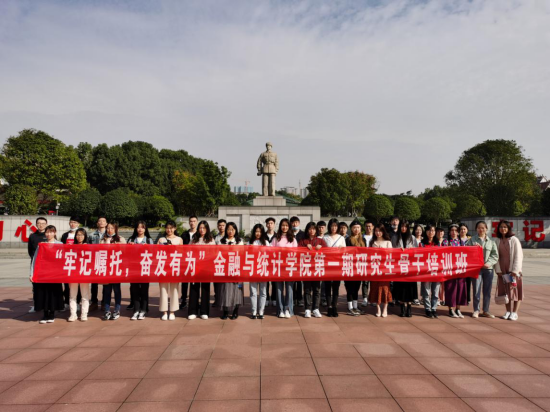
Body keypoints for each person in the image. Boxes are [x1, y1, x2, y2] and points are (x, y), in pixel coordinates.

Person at [32, 225, 64, 324]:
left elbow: (63, 259)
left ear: (55, 233)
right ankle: (45, 313)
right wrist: (32, 273)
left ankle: (52, 313)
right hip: (43, 273)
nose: (48, 234)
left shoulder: (60, 244)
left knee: (53, 293)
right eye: (47, 232)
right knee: (44, 293)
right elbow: (35, 259)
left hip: (55, 274)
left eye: (51, 232)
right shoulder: (41, 244)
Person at [467, 221, 499, 319]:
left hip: (488, 269)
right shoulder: (472, 240)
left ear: (486, 229)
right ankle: (476, 310)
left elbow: (495, 255)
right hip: (476, 269)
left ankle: (486, 310)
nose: (481, 230)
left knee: (487, 290)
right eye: (479, 228)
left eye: (483, 228)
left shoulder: (491, 241)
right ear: (476, 229)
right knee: (476, 289)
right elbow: (467, 252)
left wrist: (489, 263)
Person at [495, 220, 524, 322]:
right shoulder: (497, 240)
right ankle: (508, 311)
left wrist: (515, 270)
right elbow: (496, 256)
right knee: (505, 291)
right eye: (501, 227)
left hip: (513, 270)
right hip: (503, 270)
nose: (503, 229)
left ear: (508, 228)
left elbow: (518, 256)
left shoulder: (514, 240)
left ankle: (514, 312)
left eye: (505, 227)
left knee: (515, 291)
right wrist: (498, 270)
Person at [127, 221, 154, 321]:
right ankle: (136, 310)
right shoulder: (131, 239)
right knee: (134, 290)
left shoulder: (149, 240)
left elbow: (154, 253)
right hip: (134, 268)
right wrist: (129, 246)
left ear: (145, 229)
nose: (140, 229)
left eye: (142, 227)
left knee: (144, 290)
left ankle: (143, 310)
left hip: (145, 268)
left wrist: (148, 247)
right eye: (138, 227)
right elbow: (126, 253)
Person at [299, 222, 326, 318]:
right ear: (307, 230)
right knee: (307, 289)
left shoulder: (320, 241)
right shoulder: (303, 241)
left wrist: (322, 248)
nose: (312, 231)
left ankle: (315, 309)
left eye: (314, 229)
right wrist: (304, 248)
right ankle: (307, 309)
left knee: (316, 290)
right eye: (310, 229)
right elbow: (297, 251)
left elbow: (327, 252)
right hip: (306, 268)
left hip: (317, 268)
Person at [272, 219, 298, 319]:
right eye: (283, 225)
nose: (285, 227)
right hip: (278, 267)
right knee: (279, 289)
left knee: (289, 289)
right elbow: (270, 251)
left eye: (286, 225)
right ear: (280, 226)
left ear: (289, 227)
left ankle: (288, 309)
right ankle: (280, 310)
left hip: (289, 267)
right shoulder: (276, 239)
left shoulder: (293, 239)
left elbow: (296, 253)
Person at [158, 221, 184, 321]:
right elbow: (156, 252)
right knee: (163, 289)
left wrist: (173, 248)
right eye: (167, 228)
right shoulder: (161, 239)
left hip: (174, 266)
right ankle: (164, 311)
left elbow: (182, 252)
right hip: (163, 266)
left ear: (175, 228)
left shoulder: (179, 239)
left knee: (174, 289)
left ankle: (172, 311)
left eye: (171, 228)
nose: (169, 230)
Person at [219, 223, 245, 320]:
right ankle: (225, 311)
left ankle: (235, 311)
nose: (230, 231)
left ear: (236, 230)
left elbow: (242, 253)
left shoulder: (239, 241)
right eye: (229, 229)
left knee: (237, 289)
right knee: (226, 290)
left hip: (237, 268)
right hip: (226, 268)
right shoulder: (222, 241)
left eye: (233, 229)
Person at [189, 221, 215, 320]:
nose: (202, 230)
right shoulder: (194, 239)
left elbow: (214, 254)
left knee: (205, 289)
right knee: (193, 288)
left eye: (204, 228)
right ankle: (193, 311)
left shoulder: (211, 240)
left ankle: (204, 311)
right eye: (200, 227)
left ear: (207, 229)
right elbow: (188, 251)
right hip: (195, 267)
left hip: (206, 268)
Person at [101, 222, 126, 321]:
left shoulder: (120, 239)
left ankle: (117, 310)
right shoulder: (103, 239)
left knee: (116, 290)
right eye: (108, 228)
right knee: (107, 291)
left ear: (116, 229)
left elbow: (125, 250)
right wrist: (106, 243)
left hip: (116, 268)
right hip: (106, 268)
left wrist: (116, 244)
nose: (109, 230)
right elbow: (100, 251)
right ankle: (107, 310)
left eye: (112, 228)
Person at [393, 221, 418, 318]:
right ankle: (402, 308)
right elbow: (392, 250)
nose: (403, 228)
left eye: (405, 227)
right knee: (401, 288)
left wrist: (412, 250)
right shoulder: (395, 237)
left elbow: (417, 251)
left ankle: (409, 308)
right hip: (400, 266)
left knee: (410, 288)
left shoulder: (412, 238)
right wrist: (398, 250)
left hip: (410, 267)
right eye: (402, 226)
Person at [369, 224, 393, 318]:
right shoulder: (372, 242)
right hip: (375, 268)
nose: (378, 233)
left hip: (385, 269)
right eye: (376, 231)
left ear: (383, 231)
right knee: (375, 287)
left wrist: (382, 251)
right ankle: (378, 308)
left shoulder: (388, 242)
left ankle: (385, 308)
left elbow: (391, 254)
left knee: (385, 288)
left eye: (380, 231)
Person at [323, 219, 346, 317]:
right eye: (332, 226)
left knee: (336, 287)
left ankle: (334, 306)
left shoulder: (341, 238)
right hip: (327, 265)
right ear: (329, 226)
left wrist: (341, 249)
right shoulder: (325, 237)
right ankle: (329, 307)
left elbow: (345, 251)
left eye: (335, 226)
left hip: (337, 265)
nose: (334, 228)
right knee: (327, 286)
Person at [68, 228, 91, 322]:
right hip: (73, 273)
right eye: (78, 235)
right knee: (72, 295)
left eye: (81, 235)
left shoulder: (89, 246)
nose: (79, 237)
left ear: (85, 236)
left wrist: (87, 248)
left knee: (84, 295)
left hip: (84, 272)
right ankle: (73, 314)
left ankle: (84, 314)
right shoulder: (71, 246)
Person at [445, 224, 468, 319]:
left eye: (455, 230)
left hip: (460, 268)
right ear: (449, 232)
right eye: (452, 230)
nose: (454, 232)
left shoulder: (462, 242)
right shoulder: (446, 242)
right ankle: (450, 309)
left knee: (460, 288)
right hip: (450, 268)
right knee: (451, 288)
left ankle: (458, 309)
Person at [249, 224, 270, 320]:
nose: (258, 233)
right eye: (256, 231)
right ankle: (254, 311)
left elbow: (269, 255)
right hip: (253, 269)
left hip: (263, 269)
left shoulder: (266, 242)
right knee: (253, 292)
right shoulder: (250, 242)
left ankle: (261, 311)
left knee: (263, 292)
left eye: (260, 232)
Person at [344, 221, 365, 317]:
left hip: (359, 266)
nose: (356, 229)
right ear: (351, 229)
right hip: (350, 266)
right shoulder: (348, 239)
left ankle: (355, 306)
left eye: (358, 227)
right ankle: (350, 307)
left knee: (357, 287)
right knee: (350, 287)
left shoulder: (363, 240)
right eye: (354, 227)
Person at [61, 217, 81, 312]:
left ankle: (77, 302)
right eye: (71, 222)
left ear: (78, 224)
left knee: (78, 283)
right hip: (67, 261)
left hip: (78, 262)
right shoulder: (65, 235)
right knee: (67, 283)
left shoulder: (81, 234)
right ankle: (66, 302)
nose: (73, 224)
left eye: (75, 222)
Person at [28, 217, 48, 314]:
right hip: (36, 264)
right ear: (36, 224)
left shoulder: (48, 235)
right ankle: (36, 305)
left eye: (43, 223)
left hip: (47, 265)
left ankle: (46, 305)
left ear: (46, 224)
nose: (41, 225)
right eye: (39, 223)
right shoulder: (32, 236)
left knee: (46, 286)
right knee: (35, 286)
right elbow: (30, 251)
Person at [421, 225, 441, 319]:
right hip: (426, 270)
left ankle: (434, 308)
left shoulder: (438, 244)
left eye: (433, 230)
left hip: (436, 270)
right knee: (426, 291)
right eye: (429, 230)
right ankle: (427, 309)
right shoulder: (422, 244)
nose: (431, 232)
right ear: (426, 232)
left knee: (435, 291)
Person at [89, 216, 108, 312]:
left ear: (106, 223)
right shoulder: (91, 235)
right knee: (94, 283)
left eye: (103, 221)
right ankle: (94, 302)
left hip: (105, 261)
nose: (101, 222)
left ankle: (104, 302)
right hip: (94, 260)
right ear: (97, 223)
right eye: (99, 221)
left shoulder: (109, 234)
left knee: (105, 283)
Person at [181, 216, 199, 310]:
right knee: (184, 282)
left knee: (195, 282)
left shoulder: (200, 234)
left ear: (197, 222)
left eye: (194, 221)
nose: (192, 223)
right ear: (189, 222)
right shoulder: (184, 234)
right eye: (191, 221)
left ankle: (195, 301)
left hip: (196, 261)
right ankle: (183, 300)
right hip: (186, 261)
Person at [290, 217, 305, 308]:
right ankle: (292, 298)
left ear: (299, 223)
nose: (295, 224)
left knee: (299, 281)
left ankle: (299, 299)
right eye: (293, 223)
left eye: (296, 222)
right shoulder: (289, 234)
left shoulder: (303, 234)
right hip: (291, 260)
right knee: (291, 281)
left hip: (300, 260)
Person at [213, 219, 227, 307]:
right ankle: (217, 299)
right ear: (217, 226)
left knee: (225, 283)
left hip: (226, 263)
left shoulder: (228, 236)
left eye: (223, 225)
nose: (221, 227)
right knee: (216, 283)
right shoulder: (215, 237)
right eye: (220, 225)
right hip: (217, 263)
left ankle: (224, 300)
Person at [361, 220, 375, 308]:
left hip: (374, 261)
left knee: (373, 281)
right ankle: (365, 298)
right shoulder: (361, 237)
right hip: (364, 261)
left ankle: (373, 299)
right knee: (365, 282)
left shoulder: (376, 237)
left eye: (369, 226)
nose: (368, 228)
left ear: (373, 227)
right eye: (366, 226)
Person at [459, 224, 473, 304]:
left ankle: (468, 298)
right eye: (461, 229)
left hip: (468, 264)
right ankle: (460, 297)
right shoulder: (456, 240)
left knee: (468, 281)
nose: (463, 231)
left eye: (464, 229)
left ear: (467, 230)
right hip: (459, 263)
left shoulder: (471, 240)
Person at [265, 217, 278, 307]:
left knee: (274, 281)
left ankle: (274, 298)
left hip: (274, 261)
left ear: (274, 224)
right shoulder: (263, 236)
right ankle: (266, 298)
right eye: (268, 223)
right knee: (265, 281)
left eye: (271, 223)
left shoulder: (278, 236)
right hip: (265, 261)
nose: (270, 225)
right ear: (266, 225)